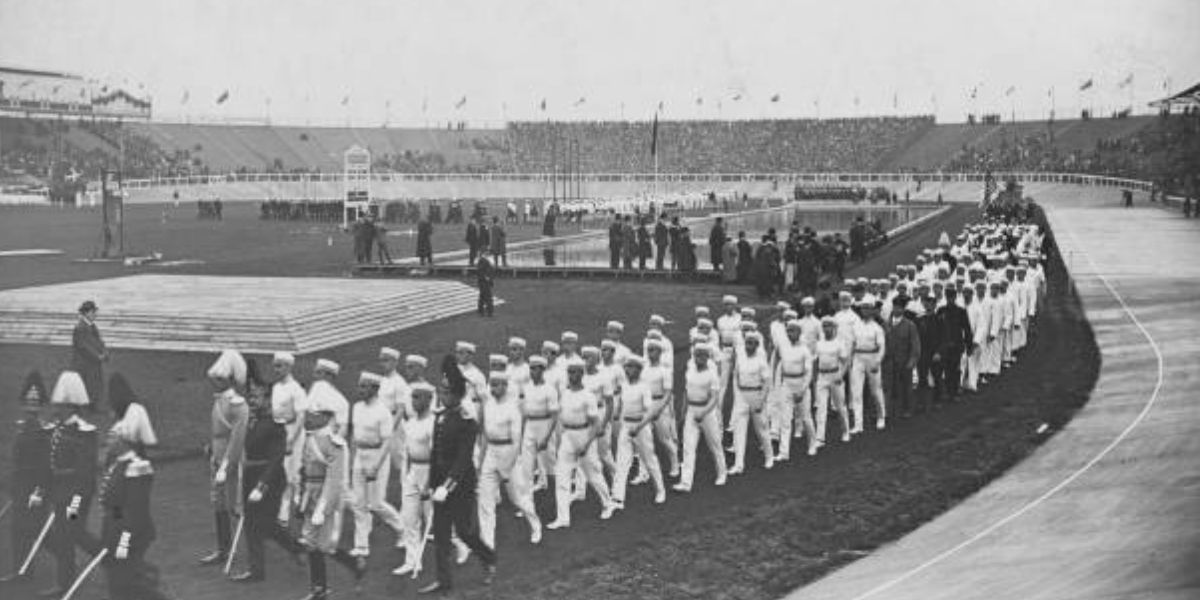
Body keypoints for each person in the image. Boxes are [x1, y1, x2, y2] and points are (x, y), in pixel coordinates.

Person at [417, 356, 496, 594]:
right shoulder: (439, 417)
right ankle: (444, 584)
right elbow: (435, 454)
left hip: (460, 485)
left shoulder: (467, 422)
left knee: (464, 531)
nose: (443, 395)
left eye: (448, 392)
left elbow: (463, 460)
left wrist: (447, 487)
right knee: (441, 536)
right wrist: (431, 485)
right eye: (441, 391)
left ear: (459, 394)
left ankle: (488, 558)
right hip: (441, 484)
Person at [80, 398, 170, 600]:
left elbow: (135, 512)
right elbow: (117, 506)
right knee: (118, 585)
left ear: (123, 440)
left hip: (132, 535)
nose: (108, 441)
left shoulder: (137, 468)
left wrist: (122, 543)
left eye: (112, 437)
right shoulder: (118, 465)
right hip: (115, 530)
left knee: (124, 585)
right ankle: (146, 573)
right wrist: (112, 530)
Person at [230, 363, 303, 583]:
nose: (252, 400)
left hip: (270, 479)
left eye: (257, 397)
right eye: (250, 396)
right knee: (256, 524)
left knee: (263, 524)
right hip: (251, 475)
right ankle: (263, 567)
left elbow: (276, 459)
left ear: (268, 399)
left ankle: (279, 557)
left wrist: (261, 486)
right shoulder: (250, 420)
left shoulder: (274, 425)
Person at [297, 397, 364, 600]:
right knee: (310, 542)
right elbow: (304, 470)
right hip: (310, 494)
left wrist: (322, 509)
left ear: (325, 417)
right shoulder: (309, 438)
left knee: (324, 545)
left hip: (326, 498)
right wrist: (300, 496)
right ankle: (319, 589)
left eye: (313, 415)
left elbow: (334, 480)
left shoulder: (334, 444)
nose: (308, 418)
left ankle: (354, 565)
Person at [42, 371, 99, 598]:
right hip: (60, 494)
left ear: (72, 407)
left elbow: (85, 469)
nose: (57, 408)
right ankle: (66, 579)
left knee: (72, 531)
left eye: (62, 405)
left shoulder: (84, 432)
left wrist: (61, 474)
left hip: (77, 496)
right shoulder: (59, 428)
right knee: (66, 534)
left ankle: (108, 555)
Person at [546, 359, 617, 529]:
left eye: (576, 372)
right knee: (562, 476)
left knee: (593, 475)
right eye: (570, 372)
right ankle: (563, 517)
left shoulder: (588, 396)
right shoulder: (564, 393)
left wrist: (587, 444)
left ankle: (608, 503)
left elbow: (596, 424)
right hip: (567, 437)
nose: (572, 376)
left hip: (584, 435)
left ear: (582, 374)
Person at [477, 371, 541, 546]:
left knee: (518, 499)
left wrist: (508, 467)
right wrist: (480, 462)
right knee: (485, 501)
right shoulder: (488, 405)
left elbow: (516, 441)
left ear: (505, 387)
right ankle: (487, 543)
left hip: (509, 455)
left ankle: (535, 525)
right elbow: (484, 435)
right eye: (492, 384)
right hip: (491, 453)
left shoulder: (512, 408)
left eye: (498, 385)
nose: (494, 388)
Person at [0, 372, 52, 584]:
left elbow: (45, 466)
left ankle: (69, 557)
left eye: (36, 401)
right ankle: (20, 572)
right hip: (19, 488)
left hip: (34, 491)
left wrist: (39, 491)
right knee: (17, 530)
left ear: (41, 404)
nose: (32, 404)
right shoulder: (21, 426)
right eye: (29, 400)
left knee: (40, 533)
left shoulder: (43, 430)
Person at [348, 372, 405, 561]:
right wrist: (352, 460)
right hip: (360, 457)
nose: (360, 390)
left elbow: (386, 443)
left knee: (376, 503)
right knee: (359, 502)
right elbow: (355, 437)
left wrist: (376, 466)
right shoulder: (356, 407)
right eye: (359, 386)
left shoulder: (383, 412)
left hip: (376, 457)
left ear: (374, 389)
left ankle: (402, 529)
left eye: (364, 387)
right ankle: (361, 545)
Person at [200, 350, 249, 567]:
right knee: (218, 504)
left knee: (233, 505)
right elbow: (219, 432)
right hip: (217, 458)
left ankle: (250, 547)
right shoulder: (219, 400)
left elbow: (237, 439)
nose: (214, 382)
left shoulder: (237, 404)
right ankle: (223, 548)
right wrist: (211, 449)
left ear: (229, 379)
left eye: (219, 379)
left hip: (231, 462)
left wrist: (226, 465)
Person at [391, 382, 436, 577]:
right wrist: (408, 476)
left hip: (430, 473)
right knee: (409, 518)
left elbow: (437, 455)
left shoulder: (434, 423)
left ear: (428, 399)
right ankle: (412, 561)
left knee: (437, 519)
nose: (414, 401)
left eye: (418, 397)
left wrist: (428, 484)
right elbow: (408, 452)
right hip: (413, 474)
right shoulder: (409, 423)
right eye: (412, 397)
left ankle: (461, 545)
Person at [611, 356, 667, 507]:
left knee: (650, 460)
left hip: (641, 428)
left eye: (630, 367)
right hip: (626, 427)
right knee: (622, 462)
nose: (627, 370)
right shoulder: (624, 386)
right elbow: (621, 402)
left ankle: (660, 491)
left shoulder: (644, 388)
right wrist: (617, 412)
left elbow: (650, 411)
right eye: (626, 367)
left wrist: (639, 426)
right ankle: (618, 498)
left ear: (638, 370)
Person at [673, 343, 727, 493]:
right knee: (688, 448)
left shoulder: (712, 374)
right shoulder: (690, 371)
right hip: (691, 411)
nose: (699, 358)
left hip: (707, 414)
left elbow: (714, 398)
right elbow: (686, 392)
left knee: (715, 445)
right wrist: (683, 413)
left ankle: (722, 473)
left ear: (707, 357)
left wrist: (703, 413)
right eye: (697, 355)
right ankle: (685, 482)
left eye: (702, 355)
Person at [270, 352, 308, 526]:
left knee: (289, 474)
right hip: (278, 431)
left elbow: (301, 417)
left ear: (288, 366)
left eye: (279, 365)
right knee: (279, 471)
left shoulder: (296, 389)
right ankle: (294, 498)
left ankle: (284, 513)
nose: (275, 369)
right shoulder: (276, 387)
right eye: (274, 365)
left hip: (293, 432)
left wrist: (291, 439)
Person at [729, 332, 774, 474]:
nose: (748, 346)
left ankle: (769, 456)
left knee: (761, 429)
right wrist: (737, 395)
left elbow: (767, 382)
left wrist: (761, 400)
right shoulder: (740, 358)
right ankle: (739, 464)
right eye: (747, 342)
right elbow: (735, 376)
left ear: (757, 345)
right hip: (742, 396)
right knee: (739, 430)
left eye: (751, 343)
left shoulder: (761, 361)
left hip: (756, 395)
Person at [772, 319, 815, 459]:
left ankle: (812, 444)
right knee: (785, 419)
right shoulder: (783, 348)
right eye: (788, 330)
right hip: (787, 386)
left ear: (799, 332)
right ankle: (784, 452)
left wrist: (803, 389)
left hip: (801, 385)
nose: (790, 333)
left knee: (806, 418)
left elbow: (809, 372)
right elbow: (778, 366)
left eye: (793, 330)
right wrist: (778, 386)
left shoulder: (804, 350)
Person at [848, 300, 887, 432]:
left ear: (872, 311)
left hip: (872, 358)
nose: (865, 311)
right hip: (858, 359)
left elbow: (882, 347)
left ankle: (881, 417)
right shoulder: (855, 326)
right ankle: (858, 424)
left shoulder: (877, 328)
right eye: (863, 308)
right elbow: (852, 344)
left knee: (875, 391)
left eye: (868, 308)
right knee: (856, 392)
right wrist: (849, 361)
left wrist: (877, 361)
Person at [883, 295, 921, 418]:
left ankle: (907, 409)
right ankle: (887, 411)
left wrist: (912, 361)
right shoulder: (886, 325)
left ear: (903, 309)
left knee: (906, 388)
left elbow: (915, 345)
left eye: (900, 308)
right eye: (895, 307)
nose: (897, 310)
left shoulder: (910, 325)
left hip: (904, 361)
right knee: (888, 387)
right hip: (888, 362)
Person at [813, 318, 851, 444]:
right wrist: (815, 378)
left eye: (829, 326)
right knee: (821, 408)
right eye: (824, 326)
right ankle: (820, 437)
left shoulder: (839, 343)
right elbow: (815, 361)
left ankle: (845, 431)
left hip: (835, 376)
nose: (826, 329)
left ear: (834, 328)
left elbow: (846, 361)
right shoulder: (819, 344)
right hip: (822, 377)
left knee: (840, 407)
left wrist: (841, 375)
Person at [934, 287, 974, 403]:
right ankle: (947, 391)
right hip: (944, 345)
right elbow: (937, 329)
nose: (950, 299)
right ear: (946, 297)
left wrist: (969, 345)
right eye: (948, 297)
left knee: (955, 369)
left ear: (955, 297)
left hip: (957, 344)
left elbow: (967, 329)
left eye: (952, 297)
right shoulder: (941, 311)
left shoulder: (961, 311)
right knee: (946, 368)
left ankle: (955, 391)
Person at [72, 300, 108, 411]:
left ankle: (92, 405)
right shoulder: (80, 327)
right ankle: (87, 406)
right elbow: (83, 346)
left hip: (92, 361)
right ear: (86, 313)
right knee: (88, 383)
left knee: (94, 383)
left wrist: (104, 352)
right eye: (93, 312)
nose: (95, 314)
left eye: (95, 312)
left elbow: (99, 341)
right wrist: (98, 356)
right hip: (84, 362)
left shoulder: (92, 326)